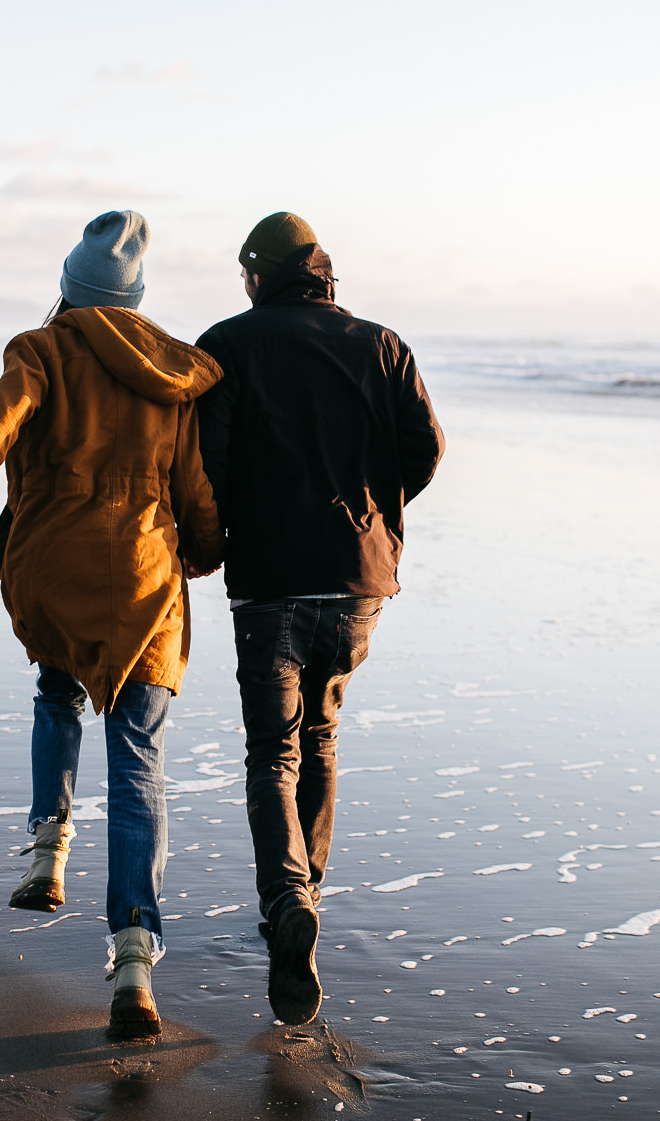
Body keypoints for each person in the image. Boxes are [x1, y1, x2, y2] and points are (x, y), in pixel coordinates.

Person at [0, 211, 224, 1042]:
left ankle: (49, 851)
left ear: (68, 289)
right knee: (138, 761)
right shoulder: (171, 373)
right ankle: (134, 960)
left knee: (57, 685)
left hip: (53, 567)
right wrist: (211, 551)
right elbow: (195, 499)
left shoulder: (41, 351)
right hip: (144, 584)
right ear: (137, 297)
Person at [195, 212, 445, 1026]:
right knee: (323, 735)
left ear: (260, 274)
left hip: (269, 579)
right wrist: (372, 511)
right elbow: (426, 449)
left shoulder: (228, 345)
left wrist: (222, 535)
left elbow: (212, 466)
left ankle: (287, 901)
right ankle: (309, 895)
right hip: (358, 577)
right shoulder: (383, 344)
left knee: (273, 750)